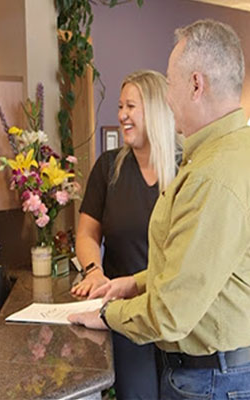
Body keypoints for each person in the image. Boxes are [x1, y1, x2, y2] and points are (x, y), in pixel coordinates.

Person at [69, 19, 250, 400]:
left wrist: (105, 315)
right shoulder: (234, 152)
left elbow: (171, 313)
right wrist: (136, 282)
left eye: (171, 83)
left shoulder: (210, 176)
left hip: (208, 380)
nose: (168, 97)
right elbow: (198, 267)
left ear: (196, 85)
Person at [71, 70, 178, 399]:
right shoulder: (107, 168)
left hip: (172, 311)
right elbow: (88, 233)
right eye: (120, 106)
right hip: (123, 314)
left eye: (131, 106)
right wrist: (95, 271)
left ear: (156, 110)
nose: (121, 115)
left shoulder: (187, 169)